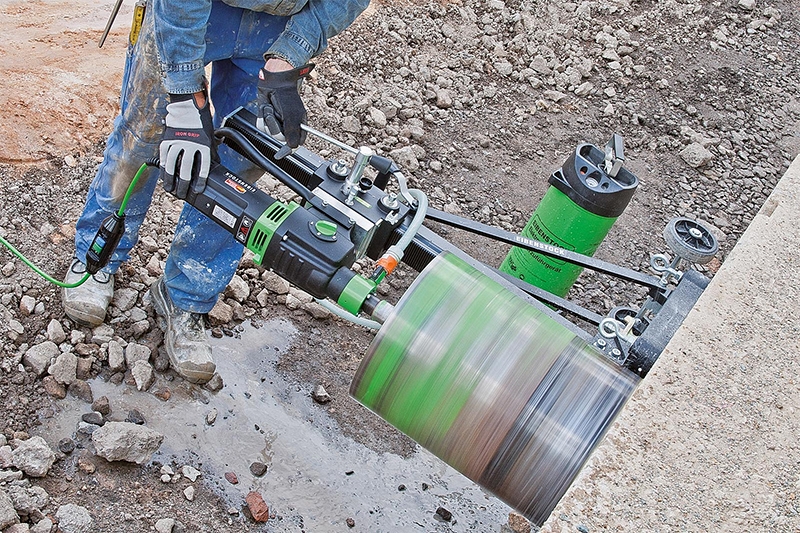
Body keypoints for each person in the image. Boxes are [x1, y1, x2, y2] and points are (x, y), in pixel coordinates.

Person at [62, 0, 370, 384]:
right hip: (191, 11)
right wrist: (183, 98)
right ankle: (97, 258)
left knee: (245, 155)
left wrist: (290, 54)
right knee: (143, 136)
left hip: (280, 23)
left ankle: (187, 296)